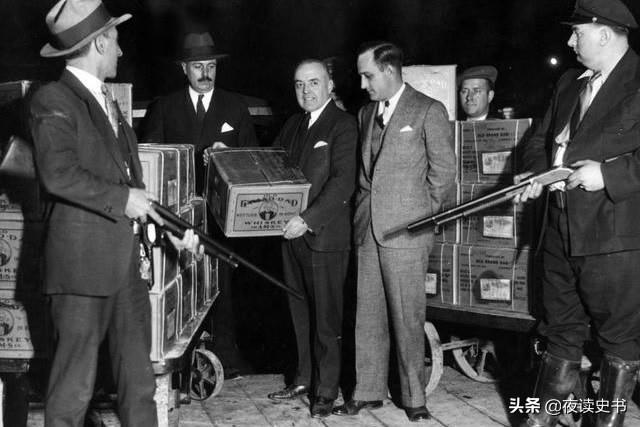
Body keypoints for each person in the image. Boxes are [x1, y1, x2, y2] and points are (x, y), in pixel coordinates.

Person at [30, 1, 200, 425]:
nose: (121, 51)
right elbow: (58, 174)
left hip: (126, 269)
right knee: (73, 391)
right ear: (100, 43)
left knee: (139, 385)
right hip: (80, 272)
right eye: (116, 40)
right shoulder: (53, 99)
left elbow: (130, 184)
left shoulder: (108, 101)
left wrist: (167, 227)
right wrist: (124, 200)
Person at [515, 0, 640, 426]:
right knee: (560, 331)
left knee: (618, 341)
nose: (570, 42)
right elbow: (539, 140)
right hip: (558, 230)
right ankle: (541, 419)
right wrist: (539, 173)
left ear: (603, 34)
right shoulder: (570, 82)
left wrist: (607, 174)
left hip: (612, 238)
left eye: (577, 33)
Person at [333, 41, 456, 422]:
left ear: (389, 71)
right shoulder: (366, 113)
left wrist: (421, 217)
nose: (363, 84)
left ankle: (414, 398)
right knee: (367, 316)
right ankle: (367, 392)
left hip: (408, 233)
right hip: (368, 230)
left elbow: (444, 174)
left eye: (368, 75)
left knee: (406, 317)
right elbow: (365, 174)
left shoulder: (428, 110)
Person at [140, 31, 258, 379]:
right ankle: (183, 361)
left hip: (222, 218)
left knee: (223, 285)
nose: (205, 73)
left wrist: (229, 157)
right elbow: (151, 160)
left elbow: (252, 159)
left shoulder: (235, 106)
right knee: (182, 285)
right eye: (197, 67)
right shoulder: (165, 107)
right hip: (179, 217)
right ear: (184, 69)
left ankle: (226, 356)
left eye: (210, 66)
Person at [266, 59, 357, 418]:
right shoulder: (293, 124)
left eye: (314, 82)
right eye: (299, 84)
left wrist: (307, 220)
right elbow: (269, 163)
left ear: (330, 85)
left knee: (326, 321)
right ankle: (304, 379)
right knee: (298, 314)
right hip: (290, 236)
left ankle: (327, 390)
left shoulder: (343, 124)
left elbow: (343, 183)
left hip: (323, 237)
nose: (306, 91)